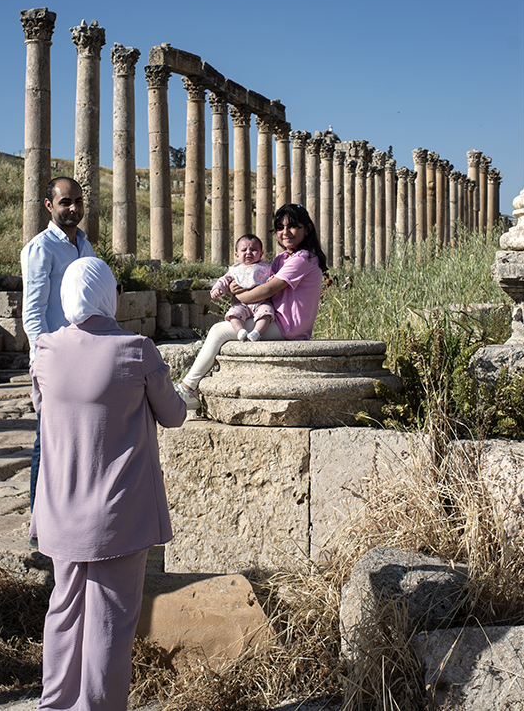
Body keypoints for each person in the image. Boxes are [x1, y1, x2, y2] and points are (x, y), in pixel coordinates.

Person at [29, 258, 188, 710]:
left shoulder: (45, 349)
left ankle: (54, 703)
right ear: (107, 294)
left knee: (63, 612)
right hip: (118, 513)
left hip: (61, 509)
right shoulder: (136, 349)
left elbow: (43, 406)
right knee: (110, 623)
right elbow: (173, 416)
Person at [176, 203, 327, 409]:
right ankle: (193, 386)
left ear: (307, 228)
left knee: (219, 330)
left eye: (293, 226)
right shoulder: (283, 258)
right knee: (229, 328)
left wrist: (239, 294)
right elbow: (256, 279)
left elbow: (268, 289)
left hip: (289, 326)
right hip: (277, 319)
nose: (285, 232)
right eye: (280, 228)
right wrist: (234, 283)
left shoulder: (304, 258)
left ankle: (188, 387)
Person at [21, 176, 96, 505]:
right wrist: (41, 359)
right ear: (49, 205)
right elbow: (33, 311)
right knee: (48, 440)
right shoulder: (41, 248)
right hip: (55, 356)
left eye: (78, 201)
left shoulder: (85, 244)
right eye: (66, 202)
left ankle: (72, 507)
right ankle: (39, 518)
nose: (74, 208)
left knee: (82, 437)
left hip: (85, 353)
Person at [211, 233, 275, 342]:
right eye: (244, 250)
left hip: (262, 302)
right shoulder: (235, 270)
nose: (248, 252)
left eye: (253, 250)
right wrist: (217, 289)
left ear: (261, 254)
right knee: (233, 313)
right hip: (241, 304)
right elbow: (224, 280)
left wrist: (272, 279)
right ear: (236, 255)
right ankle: (240, 331)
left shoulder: (267, 268)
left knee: (267, 313)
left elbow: (275, 278)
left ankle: (256, 332)